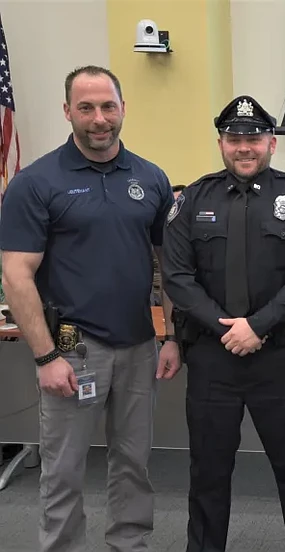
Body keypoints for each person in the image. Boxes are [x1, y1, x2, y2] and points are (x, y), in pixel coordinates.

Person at [0, 65, 181, 552]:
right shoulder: (36, 182)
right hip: (72, 347)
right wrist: (45, 356)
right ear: (68, 112)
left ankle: (129, 545)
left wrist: (172, 337)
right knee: (63, 469)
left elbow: (170, 265)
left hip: (140, 344)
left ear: (123, 109)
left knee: (133, 463)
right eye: (86, 108)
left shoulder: (150, 177)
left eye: (108, 106)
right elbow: (16, 274)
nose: (99, 118)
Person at [161, 95, 285, 552]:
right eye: (234, 138)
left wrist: (258, 326)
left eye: (253, 138)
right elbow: (177, 276)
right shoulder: (193, 199)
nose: (244, 147)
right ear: (221, 142)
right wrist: (227, 330)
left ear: (271, 142)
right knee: (209, 474)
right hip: (214, 360)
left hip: (280, 357)